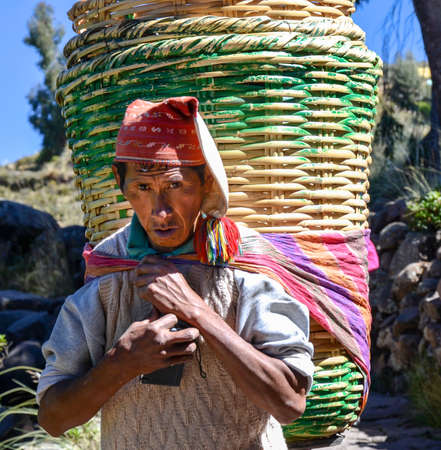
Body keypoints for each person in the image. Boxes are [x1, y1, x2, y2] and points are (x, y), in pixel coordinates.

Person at [37, 96, 314, 450]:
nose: (160, 211)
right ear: (120, 183)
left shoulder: (244, 265)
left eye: (176, 186)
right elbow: (52, 419)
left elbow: (290, 403)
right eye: (143, 188)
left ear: (205, 184)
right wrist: (122, 362)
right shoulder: (108, 274)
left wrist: (197, 312)